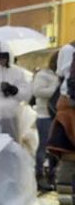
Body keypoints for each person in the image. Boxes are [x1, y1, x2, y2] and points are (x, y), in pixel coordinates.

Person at [47, 41, 75, 205]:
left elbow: (62, 75)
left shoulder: (68, 49)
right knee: (68, 158)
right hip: (69, 106)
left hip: (67, 105)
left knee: (68, 158)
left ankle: (65, 199)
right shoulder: (69, 49)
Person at [32, 52, 59, 191]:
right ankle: (39, 175)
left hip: (57, 115)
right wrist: (56, 87)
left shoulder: (60, 75)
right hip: (44, 115)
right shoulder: (44, 75)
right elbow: (36, 91)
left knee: (56, 149)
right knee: (43, 147)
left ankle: (52, 176)